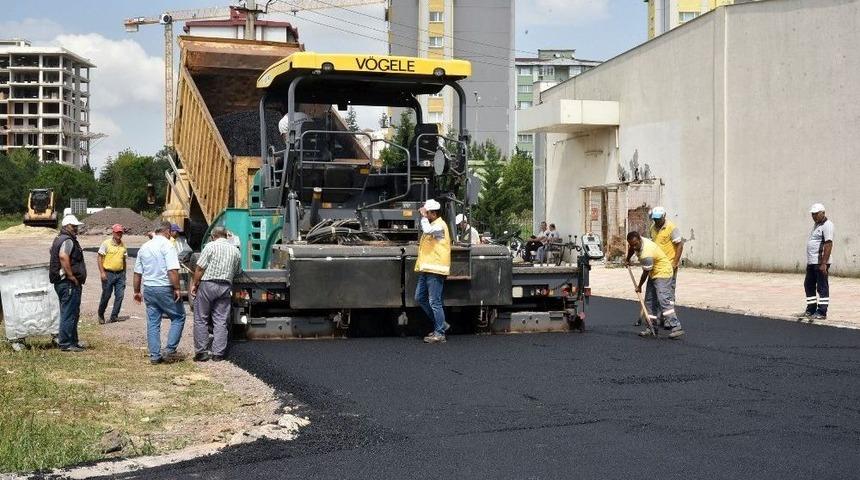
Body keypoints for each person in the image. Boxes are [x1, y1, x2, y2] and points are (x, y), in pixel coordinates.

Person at [133, 221, 186, 365]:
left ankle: (155, 355)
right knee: (179, 316)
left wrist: (136, 291)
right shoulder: (167, 245)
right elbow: (172, 270)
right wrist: (176, 288)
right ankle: (169, 350)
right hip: (164, 287)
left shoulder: (144, 247)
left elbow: (137, 272)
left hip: (149, 288)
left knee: (153, 322)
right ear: (168, 232)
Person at [190, 227, 242, 362]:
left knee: (201, 318)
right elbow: (238, 272)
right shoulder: (235, 250)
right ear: (226, 236)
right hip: (225, 286)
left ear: (213, 236)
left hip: (208, 284)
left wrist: (195, 284)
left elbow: (200, 268)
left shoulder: (210, 247)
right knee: (221, 320)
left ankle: (201, 352)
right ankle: (218, 354)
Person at [626, 231, 684, 339]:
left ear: (639, 239)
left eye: (635, 244)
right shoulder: (635, 244)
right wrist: (627, 259)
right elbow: (631, 249)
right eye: (632, 245)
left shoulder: (646, 253)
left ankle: (676, 326)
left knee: (663, 299)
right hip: (654, 272)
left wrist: (639, 286)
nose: (634, 247)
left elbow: (645, 273)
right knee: (649, 300)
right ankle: (651, 327)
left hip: (663, 272)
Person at [633, 206, 684, 326]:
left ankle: (668, 320)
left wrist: (675, 262)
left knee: (667, 294)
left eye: (658, 219)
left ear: (664, 216)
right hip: (655, 264)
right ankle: (654, 321)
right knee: (652, 294)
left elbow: (680, 245)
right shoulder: (652, 228)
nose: (656, 221)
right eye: (654, 219)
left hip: (669, 265)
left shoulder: (671, 228)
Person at [415, 199, 451, 344]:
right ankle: (441, 324)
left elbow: (427, 230)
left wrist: (423, 216)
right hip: (427, 268)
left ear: (433, 213)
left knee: (434, 302)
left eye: (427, 212)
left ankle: (440, 332)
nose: (425, 214)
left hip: (435, 270)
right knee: (420, 297)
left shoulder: (439, 226)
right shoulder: (434, 224)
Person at [49, 215, 87, 352]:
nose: (76, 228)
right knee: (69, 313)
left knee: (72, 312)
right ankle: (66, 343)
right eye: (73, 226)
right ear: (66, 226)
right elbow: (63, 256)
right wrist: (71, 276)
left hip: (63, 283)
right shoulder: (67, 240)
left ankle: (73, 341)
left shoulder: (59, 239)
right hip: (68, 283)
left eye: (76, 226)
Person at [800, 203, 834, 321]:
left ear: (823, 213)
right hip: (812, 262)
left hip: (820, 263)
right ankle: (811, 309)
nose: (814, 216)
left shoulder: (827, 225)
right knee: (808, 285)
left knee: (822, 286)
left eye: (816, 214)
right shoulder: (816, 225)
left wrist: (824, 263)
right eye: (812, 214)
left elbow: (828, 244)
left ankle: (822, 312)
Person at [97, 224, 127, 324]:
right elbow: (99, 257)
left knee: (120, 296)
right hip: (108, 274)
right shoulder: (106, 243)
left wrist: (124, 273)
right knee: (106, 295)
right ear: (113, 233)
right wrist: (102, 272)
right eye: (117, 232)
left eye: (121, 232)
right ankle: (101, 314)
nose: (119, 234)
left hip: (120, 274)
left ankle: (114, 316)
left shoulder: (123, 245)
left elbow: (124, 260)